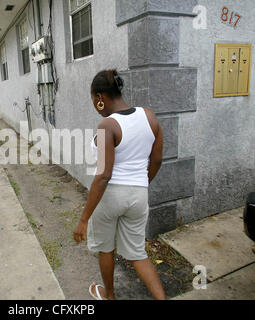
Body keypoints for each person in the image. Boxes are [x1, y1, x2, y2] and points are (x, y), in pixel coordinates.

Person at [73, 69, 165, 300]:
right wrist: (141, 184)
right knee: (137, 253)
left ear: (100, 98)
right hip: (139, 195)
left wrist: (83, 219)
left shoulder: (108, 125)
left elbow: (103, 175)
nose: (94, 104)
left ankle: (110, 296)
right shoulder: (149, 116)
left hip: (110, 197)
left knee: (105, 248)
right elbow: (157, 160)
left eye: (94, 99)